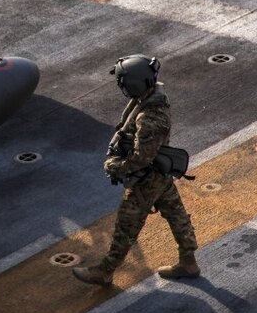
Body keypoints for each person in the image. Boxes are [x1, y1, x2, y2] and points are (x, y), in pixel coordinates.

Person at [71, 54, 200, 286]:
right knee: (176, 214)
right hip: (159, 173)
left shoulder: (149, 118)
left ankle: (105, 270)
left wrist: (116, 167)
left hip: (146, 179)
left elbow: (142, 158)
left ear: (132, 85)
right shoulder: (151, 100)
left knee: (127, 225)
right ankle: (188, 261)